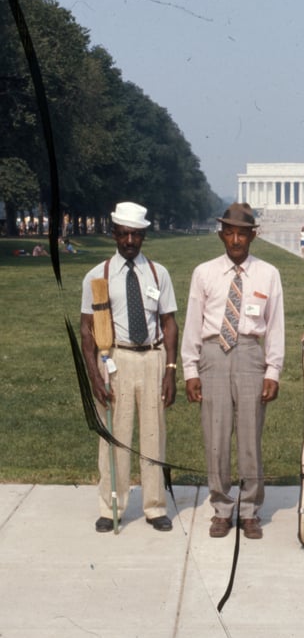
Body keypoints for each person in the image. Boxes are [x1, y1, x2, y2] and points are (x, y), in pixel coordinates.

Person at [181, 202, 284, 540]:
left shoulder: (268, 274)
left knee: (250, 436)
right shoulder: (204, 273)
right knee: (216, 436)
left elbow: (275, 326)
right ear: (221, 234)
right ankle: (222, 508)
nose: (236, 239)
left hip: (250, 354)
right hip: (214, 354)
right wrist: (190, 369)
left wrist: (273, 371)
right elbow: (193, 324)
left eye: (242, 233)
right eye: (230, 232)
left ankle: (250, 509)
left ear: (253, 236)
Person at [80, 202, 178, 533]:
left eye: (136, 234)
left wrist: (170, 370)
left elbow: (169, 323)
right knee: (115, 436)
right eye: (123, 234)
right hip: (115, 359)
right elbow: (86, 330)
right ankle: (111, 506)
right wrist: (94, 375)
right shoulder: (97, 276)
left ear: (144, 235)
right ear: (114, 235)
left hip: (152, 357)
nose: (130, 241)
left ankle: (154, 506)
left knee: (153, 436)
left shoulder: (157, 273)